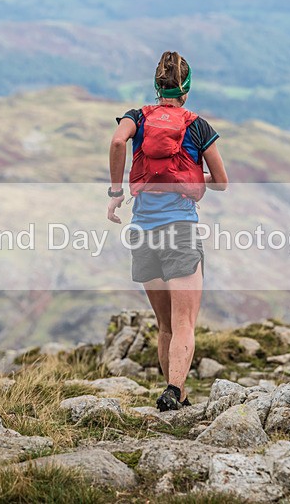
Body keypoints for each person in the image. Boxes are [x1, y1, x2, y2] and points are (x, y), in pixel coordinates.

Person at [107, 51, 228, 411]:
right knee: (185, 322)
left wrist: (116, 193)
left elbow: (116, 142)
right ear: (186, 90)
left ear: (156, 86)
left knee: (164, 325)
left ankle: (178, 393)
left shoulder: (136, 118)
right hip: (181, 233)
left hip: (143, 232)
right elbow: (221, 183)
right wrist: (188, 179)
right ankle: (175, 391)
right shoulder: (197, 125)